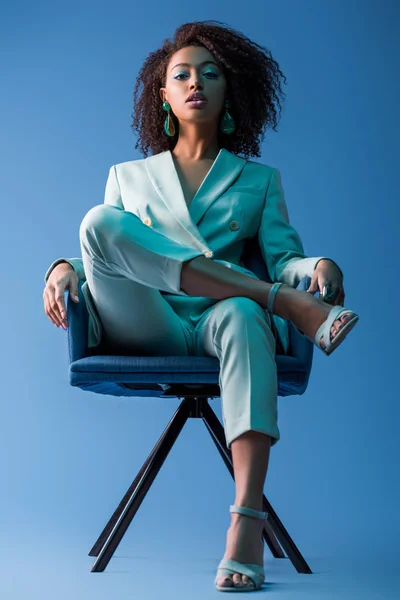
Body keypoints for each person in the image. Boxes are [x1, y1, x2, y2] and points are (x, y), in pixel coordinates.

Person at [42, 21, 359, 592]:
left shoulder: (258, 180)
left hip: (220, 321)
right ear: (161, 95)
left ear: (229, 93)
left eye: (210, 74)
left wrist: (315, 268)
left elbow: (283, 253)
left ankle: (245, 522)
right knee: (98, 221)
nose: (195, 84)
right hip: (148, 320)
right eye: (180, 75)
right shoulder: (128, 175)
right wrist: (61, 268)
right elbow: (103, 258)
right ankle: (281, 304)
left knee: (242, 316)